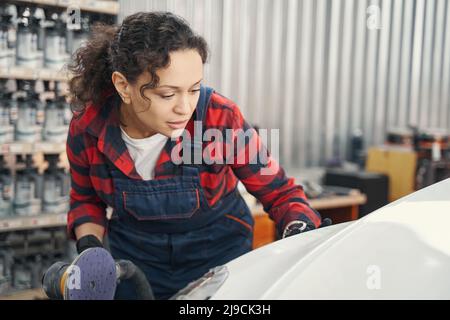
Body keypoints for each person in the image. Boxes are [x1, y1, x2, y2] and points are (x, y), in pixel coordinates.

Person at [66, 11, 324, 300]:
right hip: (138, 264)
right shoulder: (89, 127)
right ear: (123, 86)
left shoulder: (217, 116)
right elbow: (85, 199)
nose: (184, 107)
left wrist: (298, 228)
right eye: (167, 94)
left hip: (219, 257)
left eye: (194, 89)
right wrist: (90, 250)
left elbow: (279, 192)